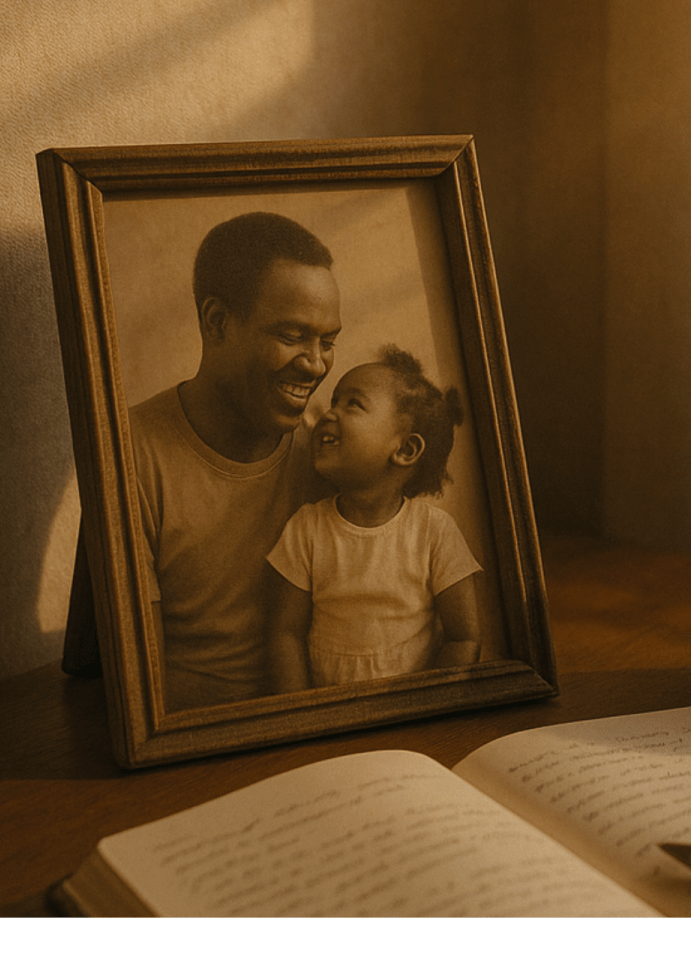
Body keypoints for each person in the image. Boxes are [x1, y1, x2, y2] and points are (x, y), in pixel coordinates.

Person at [129, 211, 342, 711]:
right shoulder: (131, 451)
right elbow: (141, 690)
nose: (315, 364)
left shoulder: (326, 449)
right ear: (217, 322)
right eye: (293, 336)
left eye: (327, 341)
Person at [266, 345, 483, 691]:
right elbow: (285, 635)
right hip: (329, 709)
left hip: (410, 711)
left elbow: (464, 639)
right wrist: (303, 714)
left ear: (405, 449)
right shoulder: (307, 527)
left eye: (352, 404)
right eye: (334, 400)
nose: (328, 413)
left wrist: (429, 704)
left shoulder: (434, 532)